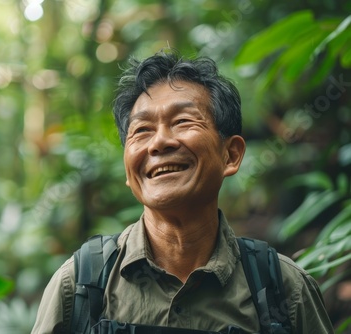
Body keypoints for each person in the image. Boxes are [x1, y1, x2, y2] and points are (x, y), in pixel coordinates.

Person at [31, 49, 334, 334]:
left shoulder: (283, 289)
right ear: (128, 168)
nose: (159, 142)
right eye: (142, 130)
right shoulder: (80, 286)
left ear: (230, 155)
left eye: (183, 121)